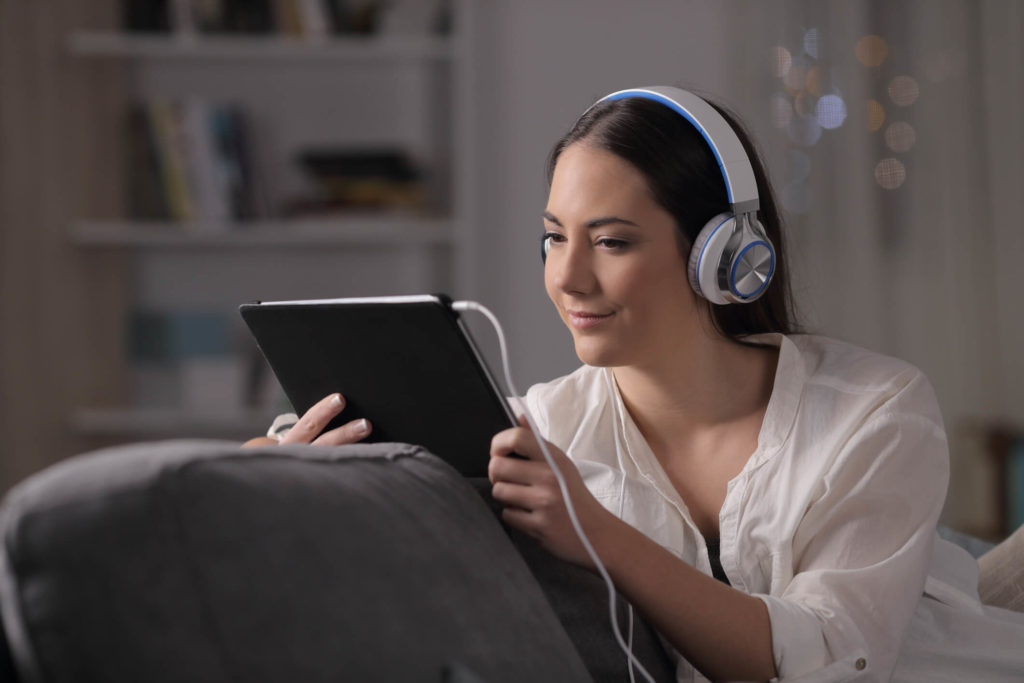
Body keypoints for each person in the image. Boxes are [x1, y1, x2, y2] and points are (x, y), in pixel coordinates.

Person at [247, 86, 1024, 681]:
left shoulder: (876, 408)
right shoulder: (545, 424)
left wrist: (593, 531)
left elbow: (824, 660)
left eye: (611, 241)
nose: (569, 277)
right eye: (554, 238)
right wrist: (273, 473)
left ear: (724, 255)